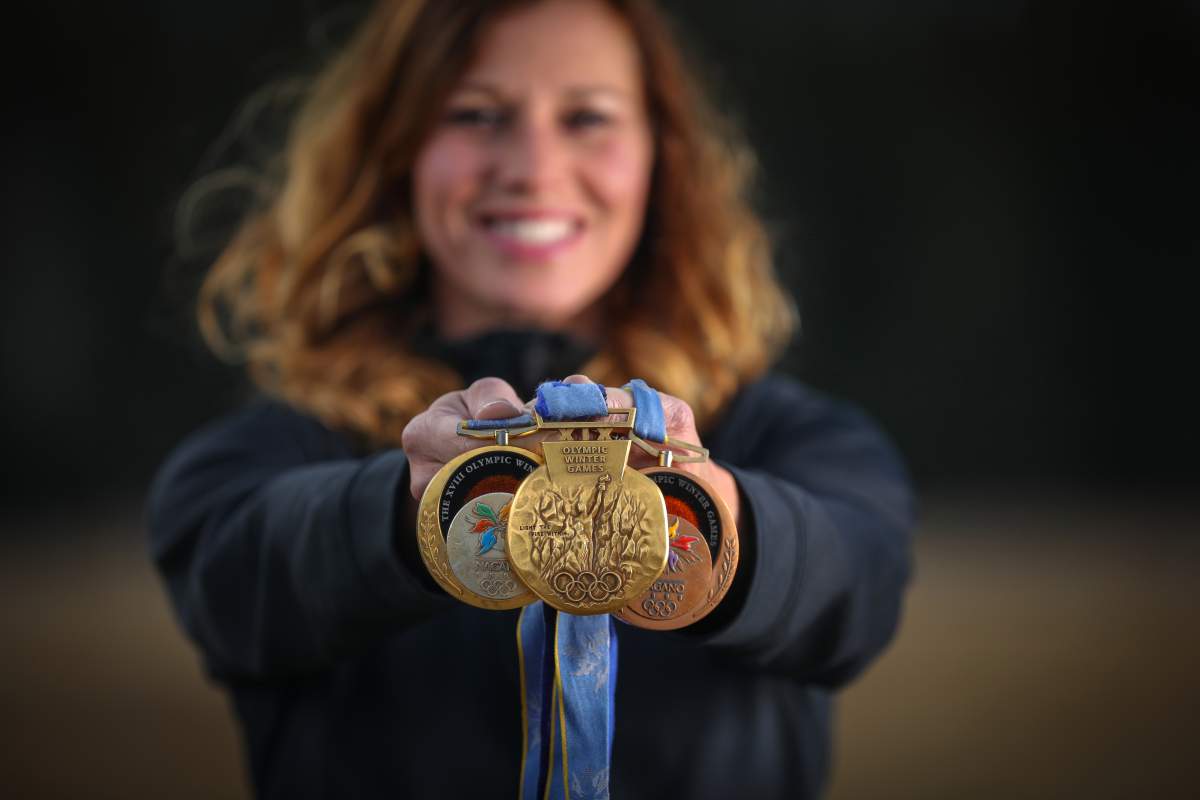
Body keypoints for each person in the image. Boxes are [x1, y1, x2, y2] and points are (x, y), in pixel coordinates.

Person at [148, 1, 915, 798]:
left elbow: (853, 588)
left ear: (664, 157)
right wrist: (419, 515)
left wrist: (704, 513)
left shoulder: (793, 438)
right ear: (396, 150)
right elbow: (237, 583)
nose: (534, 169)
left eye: (587, 116)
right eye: (477, 115)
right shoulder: (269, 454)